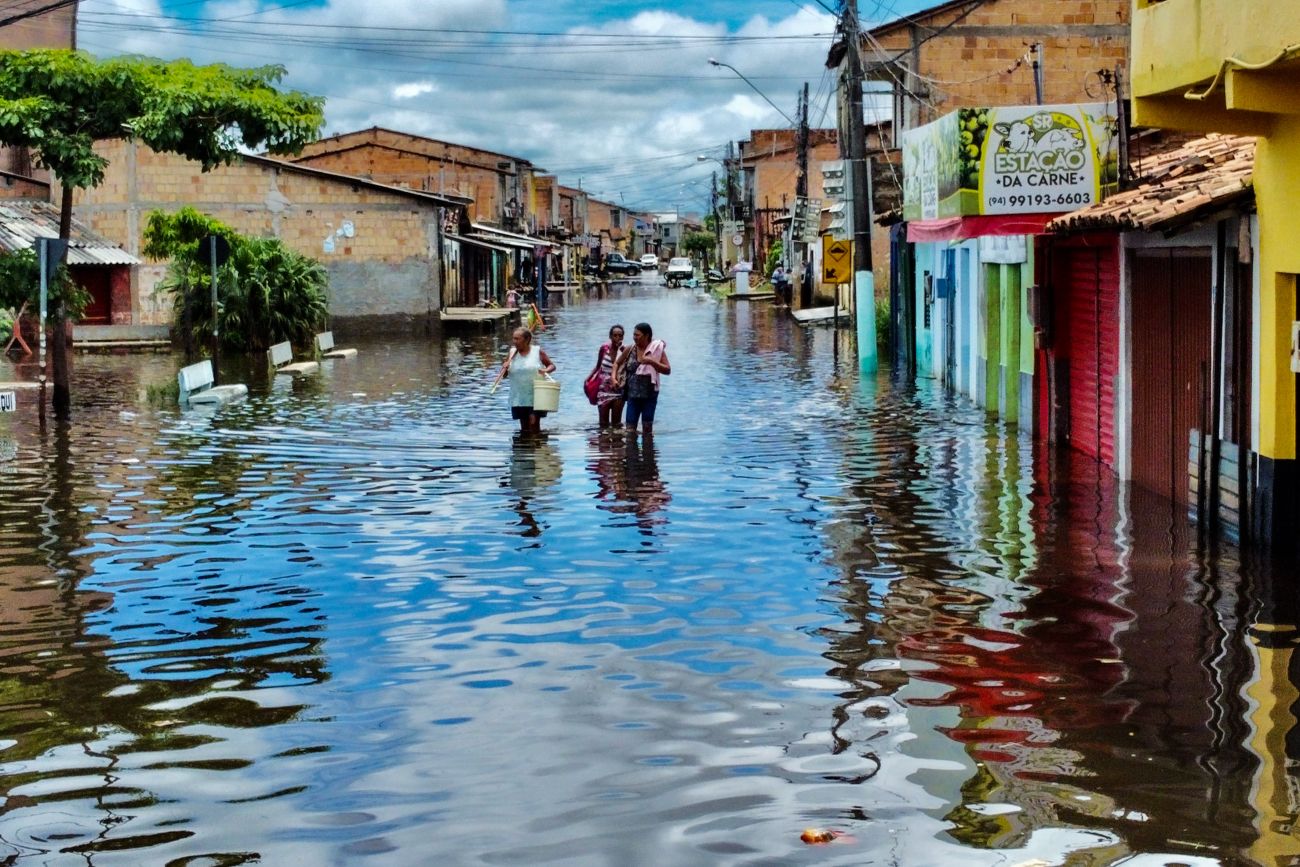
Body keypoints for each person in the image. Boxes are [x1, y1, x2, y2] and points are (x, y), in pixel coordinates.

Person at [614, 322, 670, 437]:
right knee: (630, 431)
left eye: (637, 335)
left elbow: (668, 370)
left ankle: (648, 453)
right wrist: (613, 377)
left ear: (647, 336)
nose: (634, 337)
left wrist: (651, 361)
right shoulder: (630, 349)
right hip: (632, 396)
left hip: (650, 396)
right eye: (634, 335)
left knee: (647, 430)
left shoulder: (656, 350)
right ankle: (631, 453)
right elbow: (617, 363)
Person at [499, 326, 555, 434]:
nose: (514, 342)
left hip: (536, 394)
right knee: (524, 427)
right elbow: (504, 375)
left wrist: (545, 370)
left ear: (527, 340)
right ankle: (525, 448)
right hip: (519, 396)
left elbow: (552, 365)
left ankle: (537, 445)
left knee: (534, 423)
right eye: (513, 338)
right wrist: (504, 367)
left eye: (517, 339)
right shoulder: (512, 353)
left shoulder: (537, 352)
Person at [586, 324, 626, 429]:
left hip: (618, 390)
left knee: (616, 424)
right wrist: (588, 379)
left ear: (623, 337)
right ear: (610, 336)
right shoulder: (604, 349)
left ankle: (617, 443)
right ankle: (604, 442)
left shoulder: (625, 351)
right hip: (603, 391)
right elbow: (598, 366)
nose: (617, 338)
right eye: (615, 335)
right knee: (603, 424)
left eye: (620, 335)